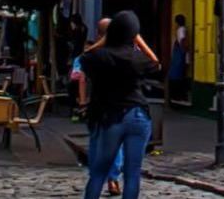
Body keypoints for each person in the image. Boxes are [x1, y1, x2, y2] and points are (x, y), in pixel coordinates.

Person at [80, 11, 158, 199]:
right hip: (138, 115)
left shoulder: (99, 57)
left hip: (111, 117)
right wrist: (138, 39)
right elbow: (155, 63)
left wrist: (104, 40)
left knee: (99, 170)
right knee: (133, 173)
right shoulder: (136, 58)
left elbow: (85, 56)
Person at [168, 13, 190, 107]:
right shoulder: (184, 29)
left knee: (176, 75)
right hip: (183, 56)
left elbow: (182, 41)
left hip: (181, 56)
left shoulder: (180, 30)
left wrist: (182, 52)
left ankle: (177, 96)